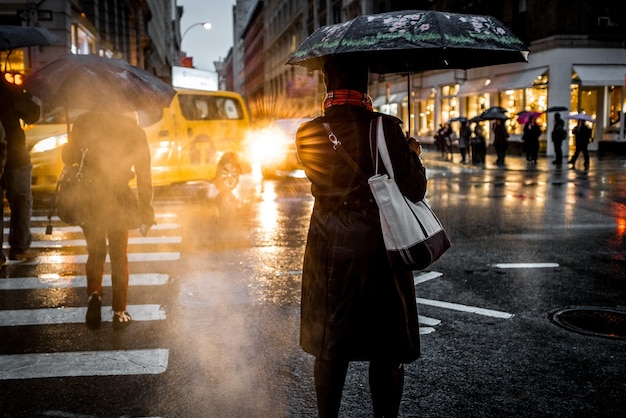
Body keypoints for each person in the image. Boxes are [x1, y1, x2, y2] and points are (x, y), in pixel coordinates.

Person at [295, 55, 427, 418]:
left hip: (328, 251)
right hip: (381, 250)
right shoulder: (386, 128)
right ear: (366, 84)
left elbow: (324, 182)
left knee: (330, 345)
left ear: (327, 83)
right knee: (386, 349)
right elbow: (414, 190)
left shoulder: (307, 132)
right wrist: (411, 154)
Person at [63, 111, 155, 330]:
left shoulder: (84, 121)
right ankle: (119, 311)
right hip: (119, 197)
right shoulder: (134, 130)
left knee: (95, 251)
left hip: (89, 196)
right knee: (118, 255)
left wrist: (70, 139)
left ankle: (94, 294)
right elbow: (144, 174)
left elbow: (69, 158)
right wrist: (146, 211)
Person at [0, 73, 41, 265]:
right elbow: (33, 114)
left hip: (12, 154)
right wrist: (25, 91)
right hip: (14, 155)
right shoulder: (8, 89)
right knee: (21, 200)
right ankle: (19, 247)